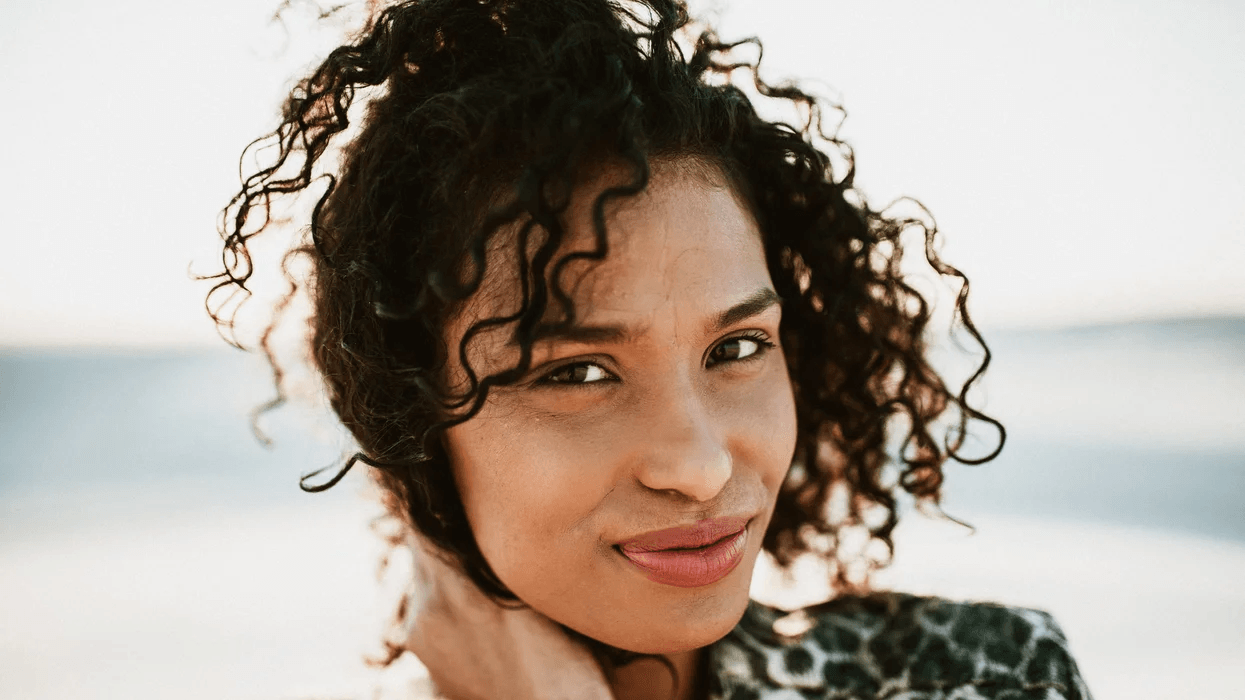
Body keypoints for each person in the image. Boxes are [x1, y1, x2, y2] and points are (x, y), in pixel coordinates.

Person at [205, 1, 1093, 698]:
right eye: (577, 371)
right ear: (410, 417)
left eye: (736, 347)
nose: (701, 466)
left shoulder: (979, 679)